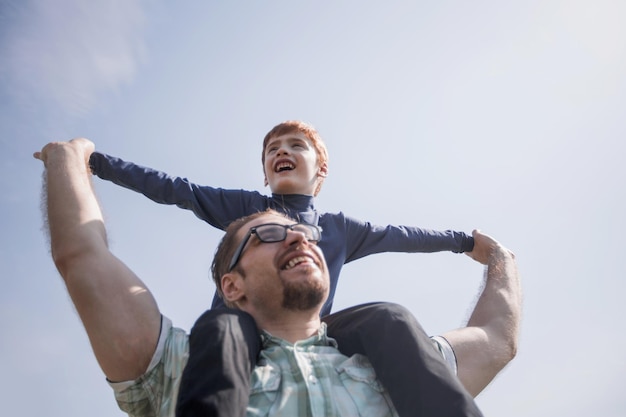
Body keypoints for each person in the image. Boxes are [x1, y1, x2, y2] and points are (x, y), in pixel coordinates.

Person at [35, 138, 521, 416]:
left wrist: (472, 243)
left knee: (390, 319)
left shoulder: (341, 231)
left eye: (295, 146)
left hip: (330, 331)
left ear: (321, 169)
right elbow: (172, 191)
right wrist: (88, 161)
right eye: (271, 150)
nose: (295, 241)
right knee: (223, 327)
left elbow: (405, 236)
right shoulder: (245, 210)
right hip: (241, 335)